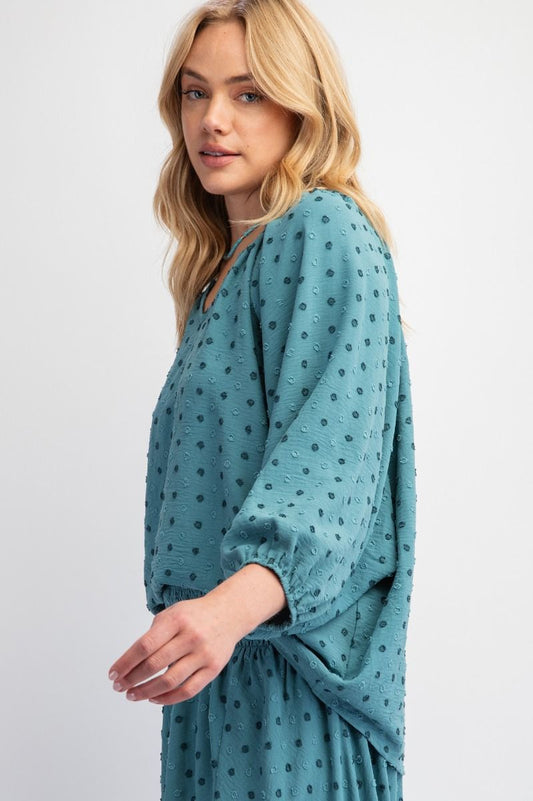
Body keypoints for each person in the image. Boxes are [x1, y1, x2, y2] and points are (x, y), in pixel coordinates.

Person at [108, 1, 417, 799]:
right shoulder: (221, 269)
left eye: (248, 93)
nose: (212, 119)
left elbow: (331, 464)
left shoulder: (323, 229)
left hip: (292, 678)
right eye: (194, 92)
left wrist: (223, 612)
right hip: (219, 672)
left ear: (301, 107)